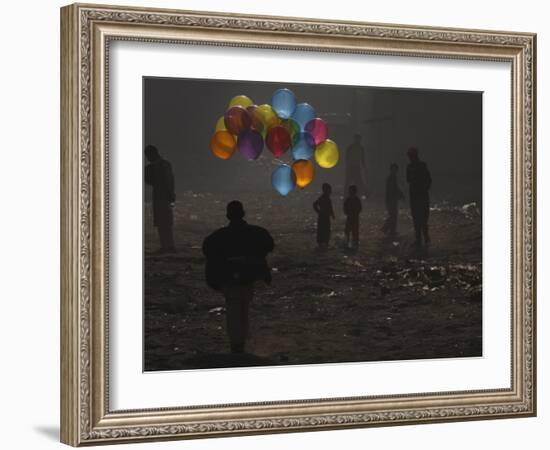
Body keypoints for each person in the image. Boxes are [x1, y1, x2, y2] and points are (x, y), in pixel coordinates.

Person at [202, 201, 274, 354]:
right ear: (243, 214)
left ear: (228, 216)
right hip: (248, 278)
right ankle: (240, 345)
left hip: (229, 279)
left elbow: (208, 252)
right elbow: (268, 247)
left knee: (234, 312)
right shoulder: (257, 233)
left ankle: (237, 346)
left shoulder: (217, 237)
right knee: (243, 310)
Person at [144, 145, 176, 253]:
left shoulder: (157, 166)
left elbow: (151, 181)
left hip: (160, 196)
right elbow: (170, 181)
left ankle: (166, 246)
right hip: (164, 196)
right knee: (165, 223)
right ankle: (168, 245)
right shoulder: (165, 164)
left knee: (163, 223)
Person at [406, 147, 432, 247]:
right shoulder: (415, 166)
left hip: (419, 195)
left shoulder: (419, 166)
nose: (410, 157)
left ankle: (423, 238)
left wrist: (424, 188)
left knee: (421, 218)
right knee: (418, 218)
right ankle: (421, 239)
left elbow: (428, 179)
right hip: (417, 195)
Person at [381, 163, 404, 237]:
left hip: (392, 199)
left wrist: (399, 194)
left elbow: (395, 188)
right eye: (394, 169)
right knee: (393, 215)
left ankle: (391, 230)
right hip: (391, 199)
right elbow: (393, 188)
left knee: (393, 215)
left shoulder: (392, 178)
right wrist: (400, 194)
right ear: (391, 170)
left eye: (396, 169)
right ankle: (387, 229)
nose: (395, 171)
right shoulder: (391, 178)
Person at [313, 183, 335, 249]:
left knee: (326, 229)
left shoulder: (328, 199)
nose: (330, 192)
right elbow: (314, 204)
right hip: (322, 216)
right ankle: (322, 242)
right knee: (322, 229)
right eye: (329, 190)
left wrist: (332, 214)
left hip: (325, 216)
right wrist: (318, 211)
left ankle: (325, 241)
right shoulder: (322, 198)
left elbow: (330, 207)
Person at [343, 185, 362, 249]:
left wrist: (354, 212)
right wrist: (348, 212)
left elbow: (359, 208)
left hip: (354, 218)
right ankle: (348, 242)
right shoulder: (349, 199)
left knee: (354, 232)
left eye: (351, 191)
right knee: (348, 231)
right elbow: (345, 208)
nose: (350, 192)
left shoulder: (356, 200)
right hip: (351, 217)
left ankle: (353, 243)